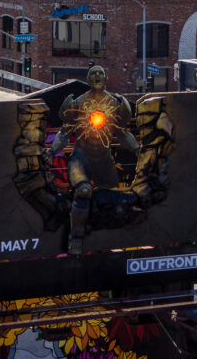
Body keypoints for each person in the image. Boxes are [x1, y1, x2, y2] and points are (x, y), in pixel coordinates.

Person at [45, 66, 138, 254]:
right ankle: (76, 237)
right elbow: (64, 133)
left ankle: (107, 235)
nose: (97, 76)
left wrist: (138, 150)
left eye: (100, 73)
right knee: (83, 190)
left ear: (106, 78)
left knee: (113, 196)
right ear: (88, 79)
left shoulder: (114, 103)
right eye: (93, 73)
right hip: (81, 158)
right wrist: (52, 152)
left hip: (104, 160)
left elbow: (122, 134)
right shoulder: (78, 103)